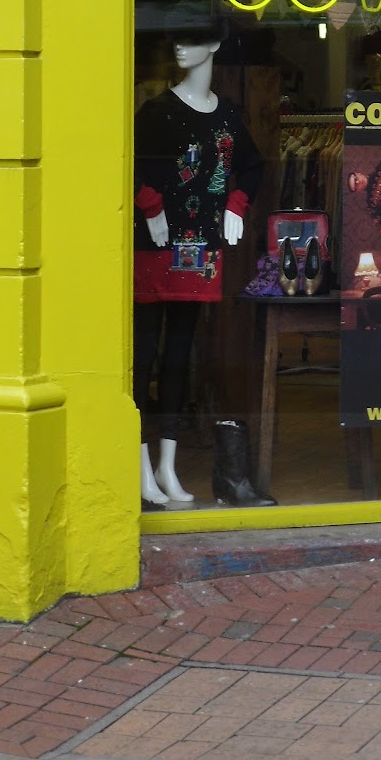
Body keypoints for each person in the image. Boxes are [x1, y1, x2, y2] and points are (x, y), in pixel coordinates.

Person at [133, 26, 271, 508]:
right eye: (176, 37)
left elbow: (253, 165)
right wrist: (150, 209)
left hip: (200, 250)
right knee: (144, 353)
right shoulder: (156, 112)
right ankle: (140, 465)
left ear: (214, 43)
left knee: (180, 354)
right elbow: (128, 162)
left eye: (192, 37)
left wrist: (235, 205)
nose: (178, 46)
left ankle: (168, 468)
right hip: (152, 247)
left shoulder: (229, 115)